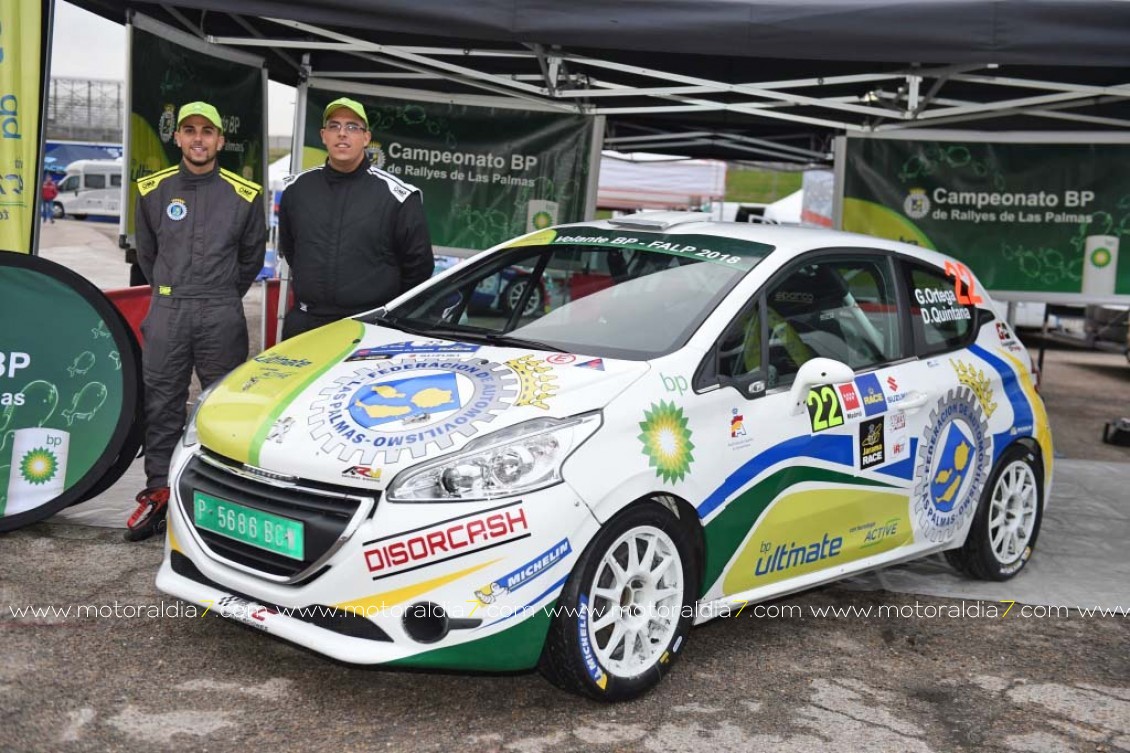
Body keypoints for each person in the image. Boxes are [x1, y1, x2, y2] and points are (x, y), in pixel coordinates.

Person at [125, 101, 266, 541]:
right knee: (162, 405)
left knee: (222, 410)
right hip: (167, 309)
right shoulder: (151, 190)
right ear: (179, 138)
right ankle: (157, 496)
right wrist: (174, 292)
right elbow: (147, 256)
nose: (199, 138)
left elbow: (251, 260)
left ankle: (218, 507)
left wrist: (218, 294)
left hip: (221, 310)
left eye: (208, 131)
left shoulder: (246, 194)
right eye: (190, 130)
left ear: (221, 140)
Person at [278, 97, 434, 339]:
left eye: (352, 127)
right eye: (334, 126)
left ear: (366, 138)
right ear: (323, 135)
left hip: (369, 328)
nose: (342, 134)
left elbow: (419, 268)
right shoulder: (297, 190)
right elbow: (292, 250)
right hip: (305, 325)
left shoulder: (398, 196)